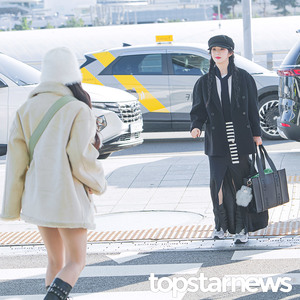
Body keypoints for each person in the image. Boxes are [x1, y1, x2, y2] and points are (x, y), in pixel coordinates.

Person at [0, 47, 107, 299]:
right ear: (73, 74)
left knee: (54, 261)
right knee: (76, 262)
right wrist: (98, 183)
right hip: (67, 197)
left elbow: (16, 161)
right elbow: (80, 158)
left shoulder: (26, 108)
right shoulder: (78, 109)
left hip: (38, 197)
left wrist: (12, 206)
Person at [190, 35, 268, 244]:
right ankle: (220, 225)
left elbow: (252, 107)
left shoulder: (244, 78)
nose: (217, 53)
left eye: (221, 50)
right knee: (217, 185)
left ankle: (242, 228)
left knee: (241, 185)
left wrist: (257, 135)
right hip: (217, 140)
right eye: (213, 50)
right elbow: (198, 110)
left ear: (230, 53)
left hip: (239, 139)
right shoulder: (204, 81)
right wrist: (196, 126)